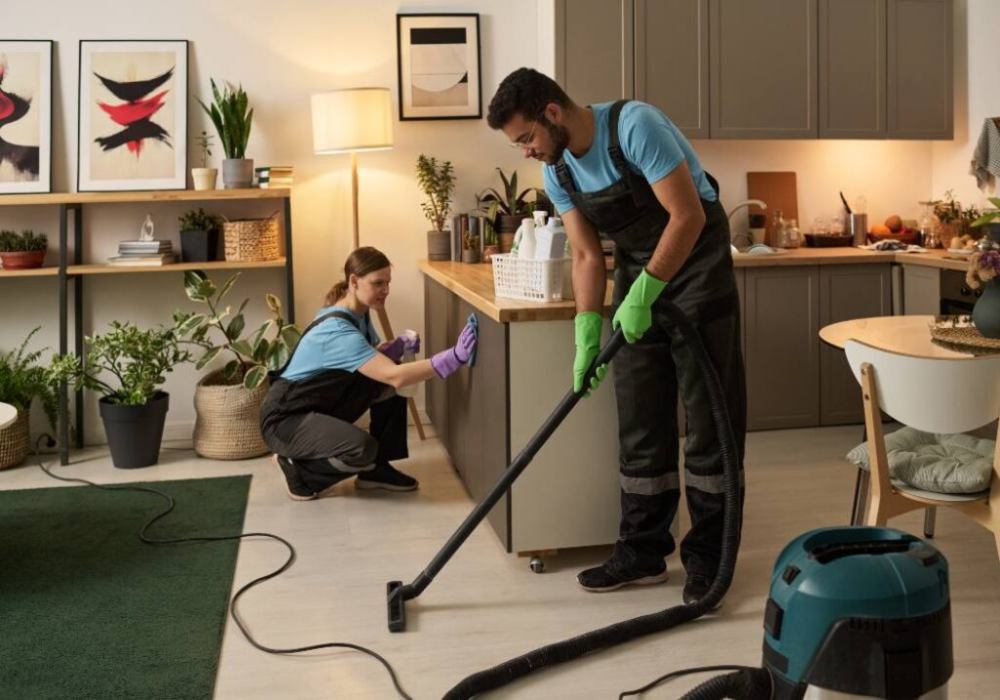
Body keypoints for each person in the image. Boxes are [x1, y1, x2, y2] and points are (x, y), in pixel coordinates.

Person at [487, 68, 745, 606]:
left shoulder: (635, 127)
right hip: (635, 272)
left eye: (526, 138)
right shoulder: (560, 170)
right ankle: (643, 553)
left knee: (707, 419)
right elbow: (584, 254)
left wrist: (648, 290)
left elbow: (687, 214)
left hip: (695, 266)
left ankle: (708, 562)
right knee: (640, 413)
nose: (527, 152)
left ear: (551, 113)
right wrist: (587, 331)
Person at [261, 246, 477, 501]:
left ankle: (377, 471)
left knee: (390, 388)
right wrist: (454, 357)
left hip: (317, 404)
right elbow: (394, 375)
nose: (386, 290)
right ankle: (300, 472)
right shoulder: (336, 330)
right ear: (354, 281)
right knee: (362, 448)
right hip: (285, 420)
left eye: (388, 282)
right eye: (378, 283)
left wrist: (393, 348)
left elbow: (369, 363)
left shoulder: (359, 314)